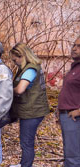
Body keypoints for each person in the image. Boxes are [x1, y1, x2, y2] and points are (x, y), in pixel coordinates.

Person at [8, 43, 49, 167]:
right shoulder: (30, 67)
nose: (15, 63)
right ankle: (24, 163)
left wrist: (7, 90)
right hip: (32, 109)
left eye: (15, 60)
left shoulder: (30, 69)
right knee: (26, 141)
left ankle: (26, 165)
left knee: (26, 142)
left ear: (22, 56)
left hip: (32, 111)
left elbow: (20, 89)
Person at [58, 36, 80, 167]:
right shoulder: (75, 68)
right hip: (67, 116)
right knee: (69, 154)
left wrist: (78, 111)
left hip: (74, 118)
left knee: (73, 156)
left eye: (79, 46)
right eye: (74, 45)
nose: (75, 48)